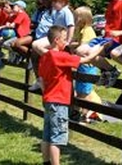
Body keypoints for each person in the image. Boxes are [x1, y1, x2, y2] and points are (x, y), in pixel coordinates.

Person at [39, 25, 104, 165]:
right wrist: (100, 49)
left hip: (49, 100)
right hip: (60, 102)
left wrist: (45, 95)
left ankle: (46, 162)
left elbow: (41, 80)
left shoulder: (45, 56)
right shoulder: (60, 56)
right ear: (57, 40)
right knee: (57, 137)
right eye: (64, 39)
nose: (66, 42)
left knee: (47, 135)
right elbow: (84, 60)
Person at [77, 0, 122, 87]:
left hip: (115, 39)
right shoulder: (111, 4)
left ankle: (111, 71)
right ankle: (106, 70)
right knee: (80, 50)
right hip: (105, 38)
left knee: (89, 53)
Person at [71, 6, 103, 122]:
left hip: (87, 65)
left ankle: (84, 116)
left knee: (84, 92)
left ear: (83, 18)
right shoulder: (80, 30)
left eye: (76, 17)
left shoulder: (88, 31)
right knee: (80, 91)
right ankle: (79, 114)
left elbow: (83, 47)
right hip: (81, 64)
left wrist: (71, 46)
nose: (74, 19)